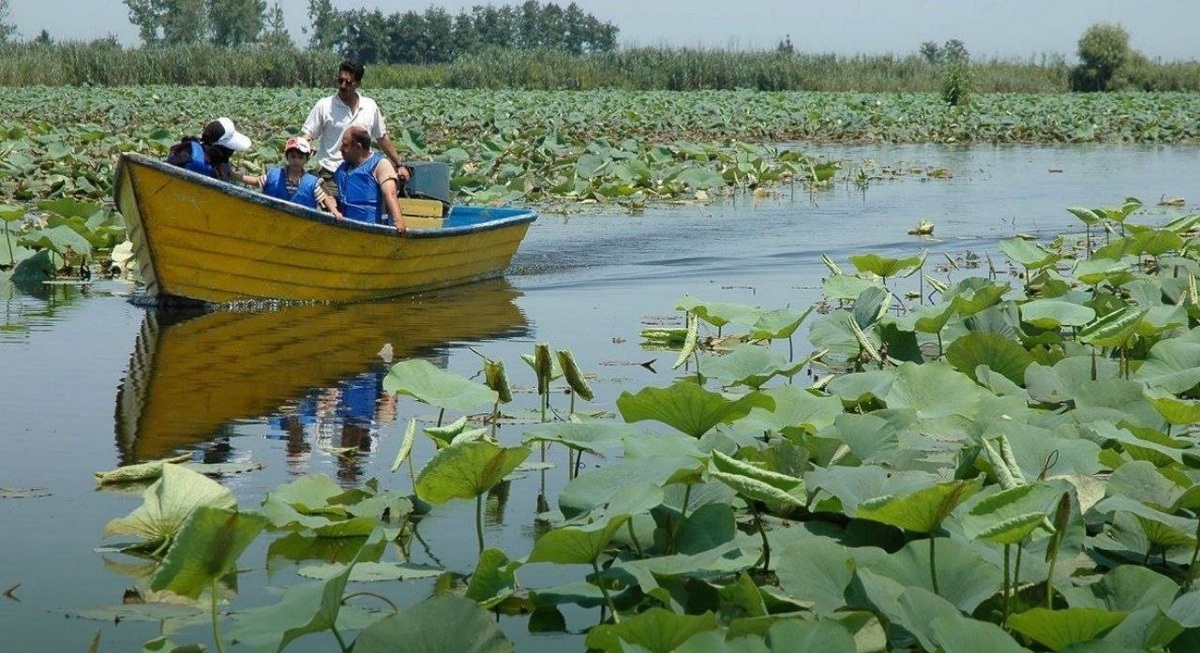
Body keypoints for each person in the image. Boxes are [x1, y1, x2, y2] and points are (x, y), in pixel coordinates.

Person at [300, 60, 410, 201]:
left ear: (358, 84)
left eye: (348, 82)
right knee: (334, 210)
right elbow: (308, 134)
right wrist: (301, 147)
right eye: (340, 81)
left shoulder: (370, 106)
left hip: (363, 173)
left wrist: (399, 165)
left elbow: (382, 138)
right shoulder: (324, 105)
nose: (343, 85)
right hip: (331, 173)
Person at [240, 137, 342, 217]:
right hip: (272, 220)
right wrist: (235, 175)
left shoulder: (312, 183)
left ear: (306, 160)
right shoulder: (274, 175)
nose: (296, 161)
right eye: (293, 157)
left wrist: (334, 211)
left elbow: (324, 198)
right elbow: (257, 181)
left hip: (300, 226)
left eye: (300, 157)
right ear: (287, 157)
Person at [334, 126, 406, 231]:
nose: (341, 149)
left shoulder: (380, 165)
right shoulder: (342, 169)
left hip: (371, 229)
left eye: (345, 145)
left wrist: (398, 222)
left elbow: (390, 194)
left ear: (358, 147)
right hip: (346, 228)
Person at [166, 117, 251, 182]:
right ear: (218, 146)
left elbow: (229, 173)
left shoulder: (216, 159)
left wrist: (257, 180)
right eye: (229, 147)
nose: (231, 150)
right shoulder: (187, 156)